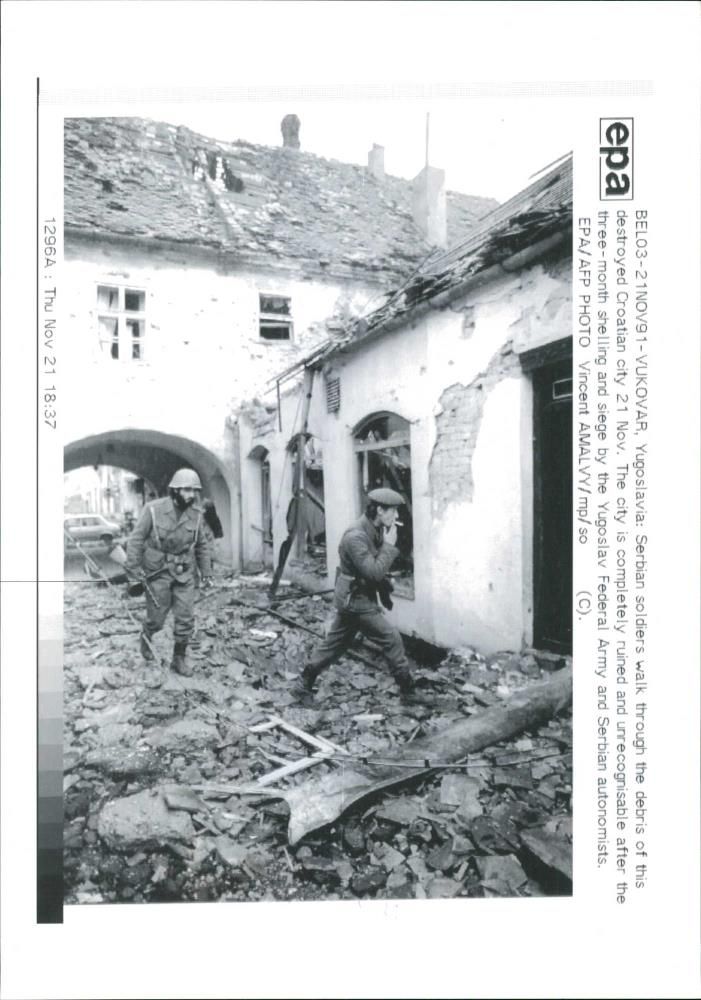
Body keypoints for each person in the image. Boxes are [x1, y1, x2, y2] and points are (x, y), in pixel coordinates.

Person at [296, 487, 415, 699]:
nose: (396, 516)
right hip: (355, 599)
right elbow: (373, 572)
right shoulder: (356, 536)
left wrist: (386, 586)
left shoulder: (376, 529)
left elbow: (373, 568)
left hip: (356, 596)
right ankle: (408, 691)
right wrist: (389, 547)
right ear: (379, 510)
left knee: (335, 644)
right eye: (393, 511)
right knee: (392, 638)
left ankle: (303, 683)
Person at [124, 468, 213, 678]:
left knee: (186, 618)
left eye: (194, 491)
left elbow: (202, 545)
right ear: (175, 490)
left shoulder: (196, 515)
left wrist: (206, 572)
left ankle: (179, 659)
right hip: (157, 572)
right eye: (187, 490)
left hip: (184, 572)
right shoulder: (153, 509)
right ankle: (146, 636)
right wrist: (133, 573)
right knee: (157, 618)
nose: (191, 495)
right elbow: (135, 540)